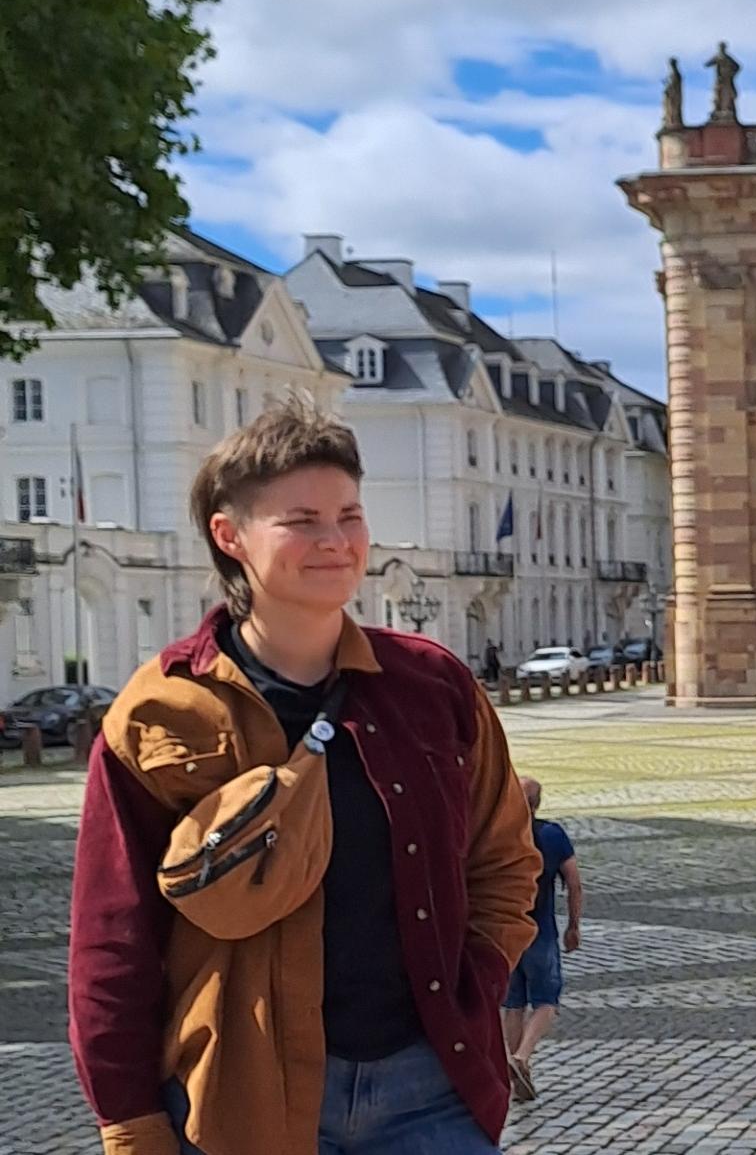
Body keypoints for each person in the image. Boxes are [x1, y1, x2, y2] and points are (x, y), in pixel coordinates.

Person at [69, 395, 541, 1155]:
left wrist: (474, 983)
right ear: (231, 536)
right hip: (241, 1103)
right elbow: (111, 941)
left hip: (428, 1094)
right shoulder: (161, 710)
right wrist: (129, 1122)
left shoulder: (431, 684)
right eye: (302, 520)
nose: (336, 541)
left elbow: (506, 860)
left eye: (349, 515)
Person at [503, 775, 582, 1103]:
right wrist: (574, 926)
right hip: (541, 932)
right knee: (547, 1001)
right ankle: (521, 1057)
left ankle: (517, 1067)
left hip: (508, 932)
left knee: (513, 1004)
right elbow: (574, 882)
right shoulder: (552, 835)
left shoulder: (502, 835)